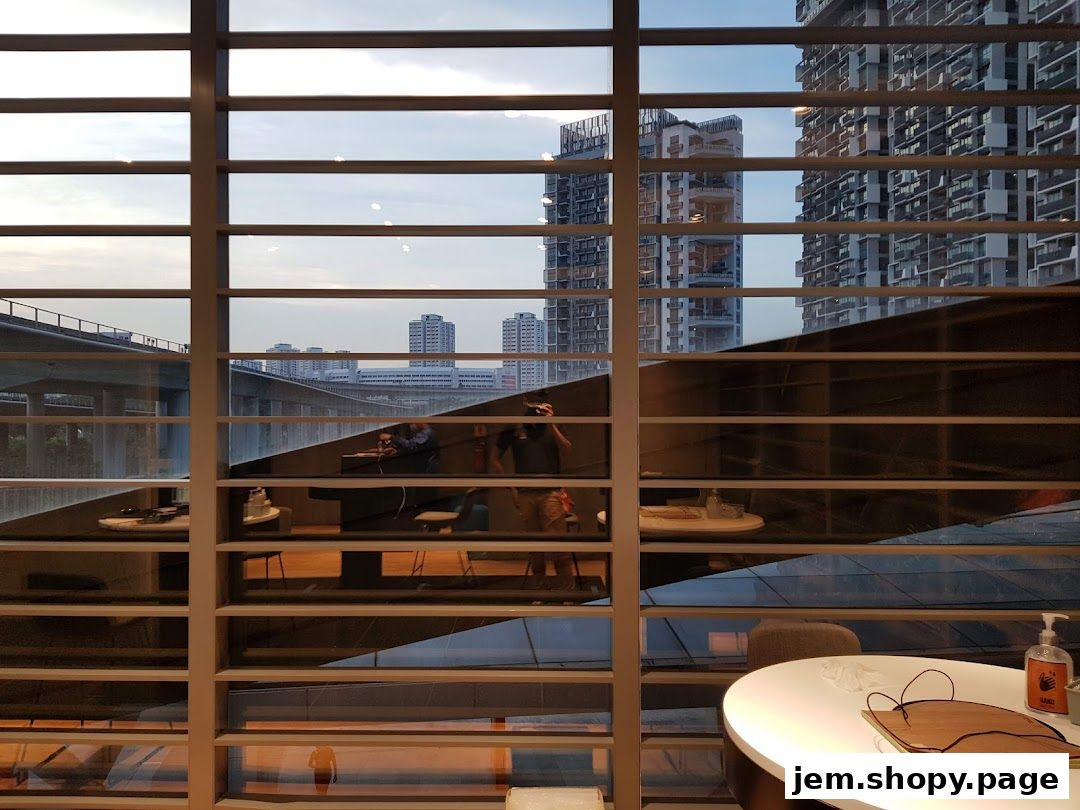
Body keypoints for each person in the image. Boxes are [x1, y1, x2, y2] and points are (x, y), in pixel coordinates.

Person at [490, 400, 575, 589]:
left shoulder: (553, 424)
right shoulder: (514, 426)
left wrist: (552, 424)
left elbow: (567, 450)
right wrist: (510, 488)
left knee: (558, 545)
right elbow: (494, 458)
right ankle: (540, 592)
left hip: (550, 493)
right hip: (526, 494)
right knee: (536, 547)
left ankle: (567, 592)